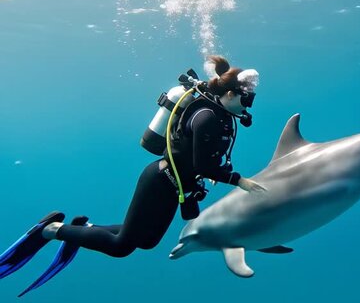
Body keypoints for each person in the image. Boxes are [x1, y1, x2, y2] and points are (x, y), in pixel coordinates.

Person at [0, 56, 266, 296]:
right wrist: (239, 181)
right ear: (230, 94)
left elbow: (203, 158)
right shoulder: (208, 116)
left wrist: (207, 170)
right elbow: (205, 164)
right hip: (160, 181)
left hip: (178, 185)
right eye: (246, 100)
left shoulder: (222, 116)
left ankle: (86, 230)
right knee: (121, 247)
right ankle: (52, 230)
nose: (248, 106)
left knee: (148, 241)